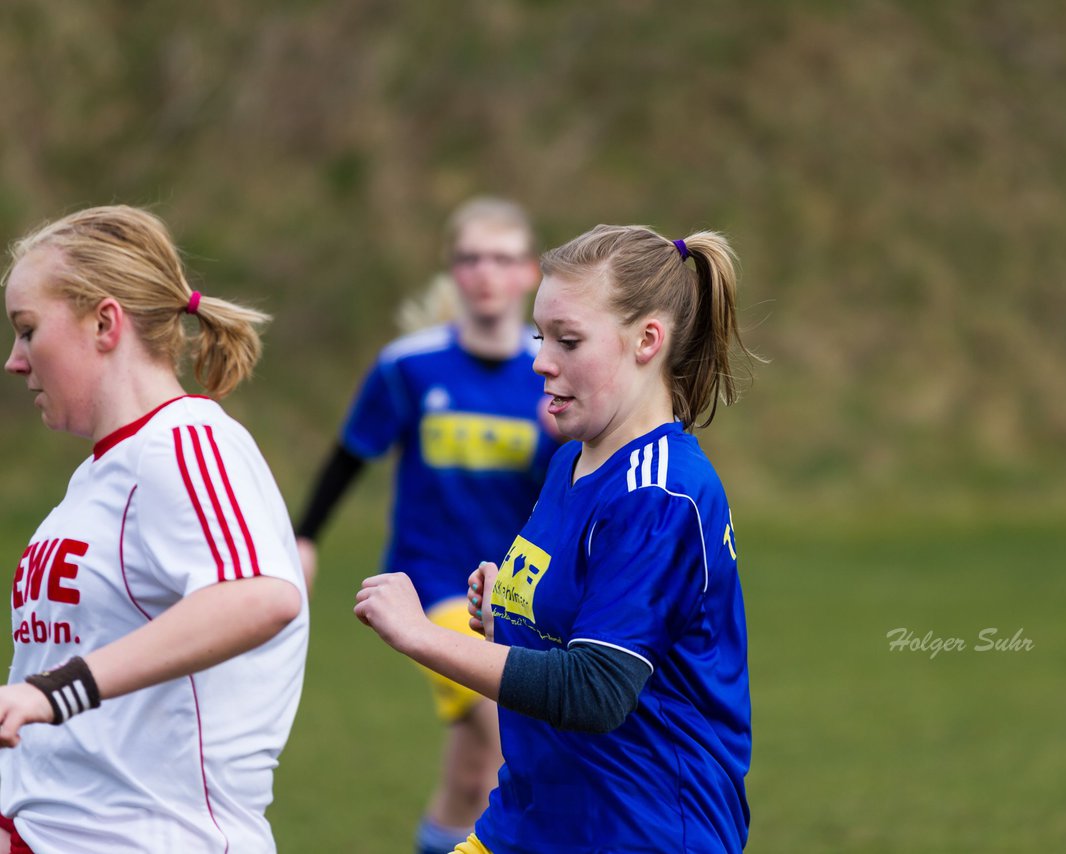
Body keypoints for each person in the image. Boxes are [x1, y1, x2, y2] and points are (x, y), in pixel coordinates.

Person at [355, 224, 755, 853]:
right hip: (531, 823)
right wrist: (509, 603)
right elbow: (577, 620)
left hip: (638, 836)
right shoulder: (575, 461)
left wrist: (422, 636)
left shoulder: (660, 494)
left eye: (568, 340)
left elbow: (595, 689)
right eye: (543, 337)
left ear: (648, 340)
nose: (540, 360)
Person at [0, 205, 308, 853]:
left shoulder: (186, 442)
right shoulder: (99, 477)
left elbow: (260, 595)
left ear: (105, 322)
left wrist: (52, 693)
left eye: (27, 330)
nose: (14, 361)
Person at [294, 197, 558, 854]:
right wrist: (305, 537)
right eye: (469, 259)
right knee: (514, 750)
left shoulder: (554, 368)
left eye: (501, 259)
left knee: (471, 780)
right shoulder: (408, 367)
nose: (485, 273)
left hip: (519, 591)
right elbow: (351, 454)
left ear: (529, 272)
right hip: (433, 584)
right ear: (452, 271)